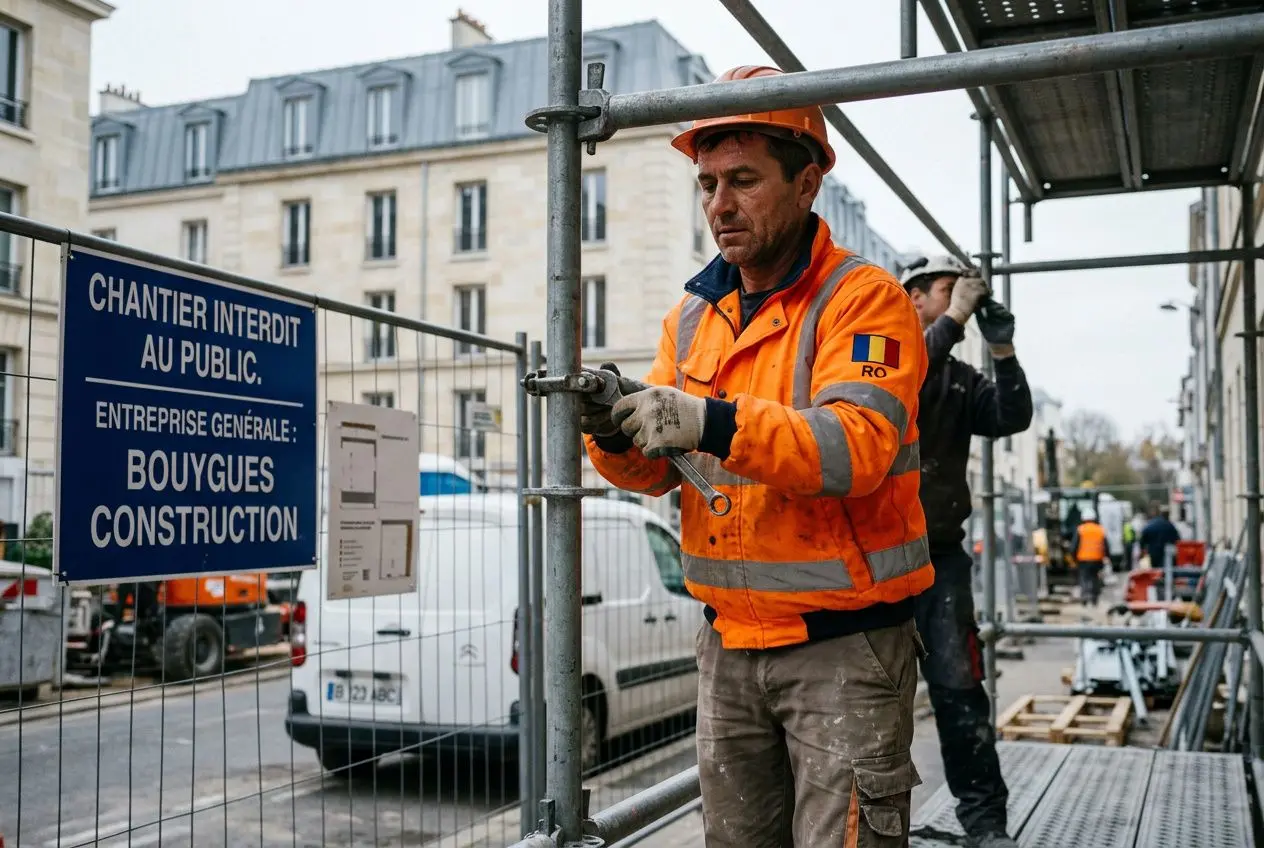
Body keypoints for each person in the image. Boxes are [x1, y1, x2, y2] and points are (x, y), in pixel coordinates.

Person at [580, 65, 932, 847]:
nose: (719, 206)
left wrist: (706, 419)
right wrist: (610, 427)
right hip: (728, 645)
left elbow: (855, 449)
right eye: (706, 183)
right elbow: (652, 472)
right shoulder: (692, 318)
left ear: (807, 183)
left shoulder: (865, 300)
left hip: (844, 651)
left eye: (742, 180)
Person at [899, 254, 1033, 848]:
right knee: (868, 698)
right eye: (948, 292)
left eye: (963, 294)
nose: (963, 302)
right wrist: (955, 316)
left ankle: (985, 824)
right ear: (915, 297)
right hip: (876, 557)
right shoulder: (891, 356)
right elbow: (908, 371)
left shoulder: (956, 376)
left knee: (959, 692)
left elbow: (1012, 416)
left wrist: (1001, 350)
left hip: (941, 558)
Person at [1071, 510, 1108, 606]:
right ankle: (1094, 598)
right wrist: (1107, 556)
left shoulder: (1080, 529)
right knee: (1095, 578)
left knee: (1084, 578)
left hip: (1083, 558)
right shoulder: (1100, 529)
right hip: (1097, 558)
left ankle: (1085, 597)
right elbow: (1106, 545)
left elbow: (1074, 546)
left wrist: (1073, 557)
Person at [1140, 502, 1182, 572]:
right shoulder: (1169, 525)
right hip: (1167, 556)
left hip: (1153, 554)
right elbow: (1178, 541)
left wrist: (1142, 552)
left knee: (1155, 572)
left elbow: (1142, 541)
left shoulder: (1149, 526)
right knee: (1166, 573)